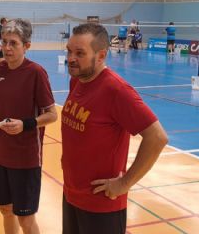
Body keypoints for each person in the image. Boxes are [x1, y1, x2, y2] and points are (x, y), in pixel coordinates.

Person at [62, 23, 168, 234]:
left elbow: (157, 137)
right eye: (69, 51)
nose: (71, 58)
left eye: (80, 53)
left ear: (101, 56)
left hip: (101, 206)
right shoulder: (78, 81)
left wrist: (124, 183)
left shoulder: (116, 90)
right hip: (71, 195)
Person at [0, 18, 58, 234]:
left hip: (26, 158)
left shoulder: (36, 73)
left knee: (26, 218)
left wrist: (26, 124)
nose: (7, 48)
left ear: (26, 46)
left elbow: (51, 114)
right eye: (4, 42)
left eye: (13, 43)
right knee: (5, 209)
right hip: (1, 154)